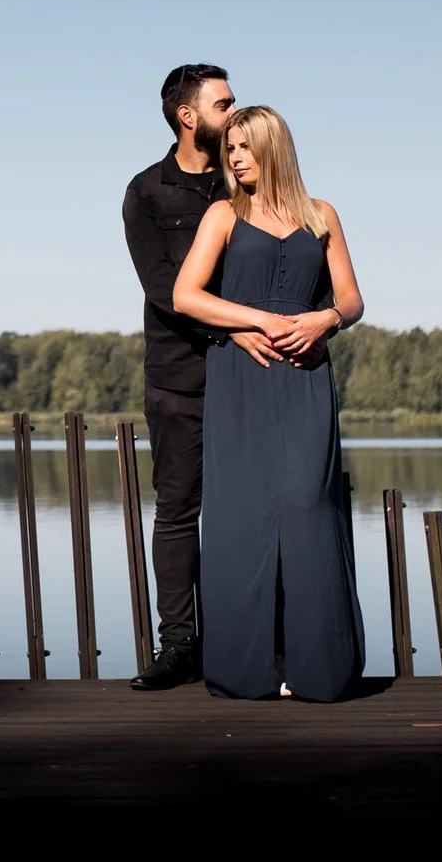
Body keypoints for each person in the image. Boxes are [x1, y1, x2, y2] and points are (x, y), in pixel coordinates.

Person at [170, 105, 365, 701]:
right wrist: (251, 320)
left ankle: (318, 670)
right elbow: (186, 296)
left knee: (309, 507)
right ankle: (245, 670)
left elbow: (353, 300)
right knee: (243, 513)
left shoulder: (322, 215)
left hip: (305, 380)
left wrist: (324, 319)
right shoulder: (222, 215)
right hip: (241, 379)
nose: (234, 157)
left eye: (245, 147)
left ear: (273, 149)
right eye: (230, 146)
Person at [120, 62, 238, 691]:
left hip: (251, 374)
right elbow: (166, 290)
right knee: (175, 513)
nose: (235, 114)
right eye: (224, 105)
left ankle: (250, 643)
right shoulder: (146, 192)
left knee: (252, 508)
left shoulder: (245, 181)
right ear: (187, 116)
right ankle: (179, 648)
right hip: (178, 377)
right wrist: (239, 327)